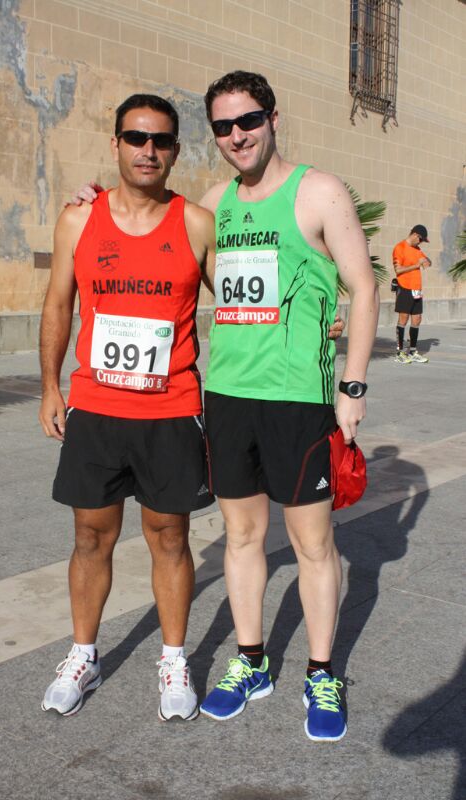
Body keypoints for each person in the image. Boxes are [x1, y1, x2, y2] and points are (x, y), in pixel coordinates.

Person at [194, 71, 378, 741]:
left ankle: (322, 671)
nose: (237, 135)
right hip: (229, 395)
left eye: (248, 121)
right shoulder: (214, 200)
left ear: (273, 118)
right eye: (222, 126)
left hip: (298, 400)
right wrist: (92, 201)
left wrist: (352, 388)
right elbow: (161, 235)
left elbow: (363, 286)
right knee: (241, 538)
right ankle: (251, 661)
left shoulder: (319, 191)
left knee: (312, 544)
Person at [39, 93, 217, 721]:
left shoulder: (197, 222)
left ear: (175, 150)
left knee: (169, 536)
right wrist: (50, 386)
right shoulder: (78, 220)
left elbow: (243, 299)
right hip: (96, 407)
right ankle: (83, 654)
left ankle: (174, 659)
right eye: (136, 138)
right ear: (115, 143)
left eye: (162, 140)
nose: (149, 150)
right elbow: (59, 304)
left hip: (172, 408)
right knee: (91, 535)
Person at [392, 225, 431, 364]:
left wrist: (427, 261)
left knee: (417, 319)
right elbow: (398, 270)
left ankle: (413, 351)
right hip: (404, 287)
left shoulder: (417, 250)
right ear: (415, 234)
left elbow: (426, 261)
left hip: (417, 290)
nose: (420, 242)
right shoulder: (400, 247)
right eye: (420, 239)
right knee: (403, 319)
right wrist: (416, 265)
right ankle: (399, 352)